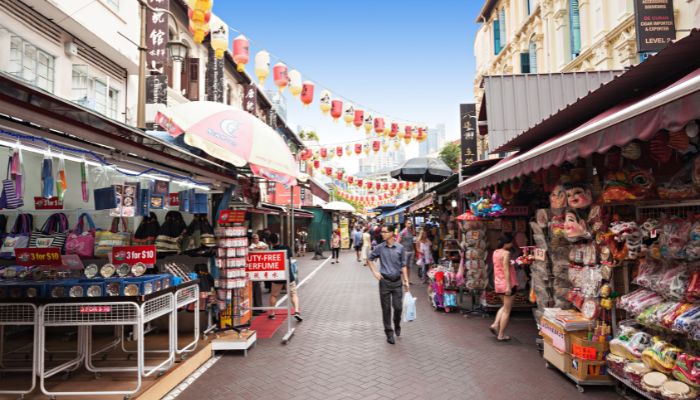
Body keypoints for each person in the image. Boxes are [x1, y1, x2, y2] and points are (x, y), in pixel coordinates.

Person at [367, 224, 410, 345]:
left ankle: (397, 323)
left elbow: (403, 265)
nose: (382, 234)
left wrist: (406, 280)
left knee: (398, 307)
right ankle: (389, 333)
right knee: (386, 309)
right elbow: (369, 259)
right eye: (382, 232)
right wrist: (375, 272)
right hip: (384, 282)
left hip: (397, 282)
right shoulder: (380, 248)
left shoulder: (400, 248)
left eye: (385, 232)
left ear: (392, 233)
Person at [268, 233, 302, 322]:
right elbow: (290, 258)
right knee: (293, 294)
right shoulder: (286, 248)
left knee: (274, 295)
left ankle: (272, 313)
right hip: (288, 275)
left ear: (271, 242)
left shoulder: (270, 252)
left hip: (277, 276)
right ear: (279, 239)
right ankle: (297, 311)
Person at [490, 234, 518, 342]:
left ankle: (495, 324)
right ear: (507, 243)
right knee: (507, 310)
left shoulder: (495, 252)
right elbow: (506, 270)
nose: (512, 244)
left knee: (504, 306)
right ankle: (501, 334)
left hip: (498, 283)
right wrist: (509, 286)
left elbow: (499, 267)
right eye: (511, 242)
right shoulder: (506, 253)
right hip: (507, 284)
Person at [398, 219, 416, 283]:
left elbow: (413, 241)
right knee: (404, 267)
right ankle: (404, 280)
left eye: (410, 223)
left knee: (408, 267)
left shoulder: (411, 231)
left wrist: (415, 251)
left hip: (411, 251)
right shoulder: (403, 232)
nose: (409, 225)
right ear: (405, 224)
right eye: (408, 223)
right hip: (405, 251)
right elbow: (398, 242)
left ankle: (408, 279)